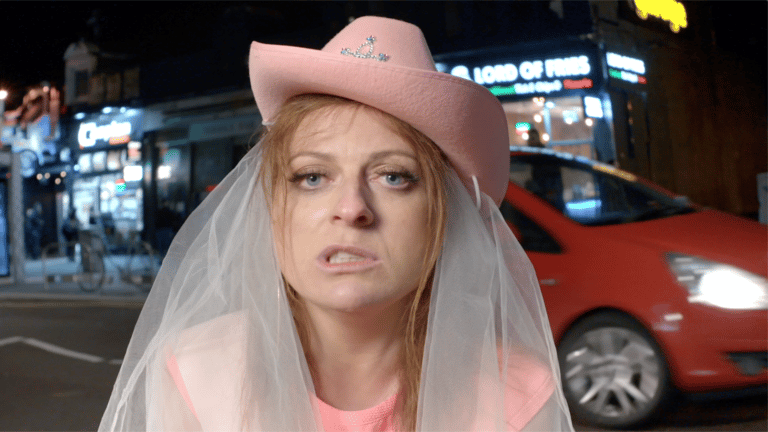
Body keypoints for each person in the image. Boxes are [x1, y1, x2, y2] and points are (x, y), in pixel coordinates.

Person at [99, 16, 574, 431]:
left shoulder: (517, 394)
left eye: (393, 177)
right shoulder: (197, 374)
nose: (351, 208)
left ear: (443, 213)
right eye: (311, 177)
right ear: (270, 207)